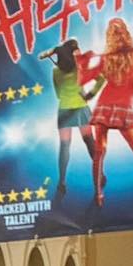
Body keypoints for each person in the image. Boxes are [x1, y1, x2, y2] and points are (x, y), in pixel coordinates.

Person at [78, 18, 133, 207]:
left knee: (99, 152)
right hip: (122, 109)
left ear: (109, 37)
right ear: (126, 33)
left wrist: (82, 61)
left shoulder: (106, 58)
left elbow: (81, 79)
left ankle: (98, 195)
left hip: (104, 107)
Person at [36, 38, 102, 198]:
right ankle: (100, 174)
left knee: (65, 146)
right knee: (89, 141)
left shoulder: (56, 71)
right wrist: (89, 95)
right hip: (80, 107)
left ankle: (62, 182)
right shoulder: (81, 67)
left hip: (65, 110)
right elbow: (101, 79)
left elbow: (58, 94)